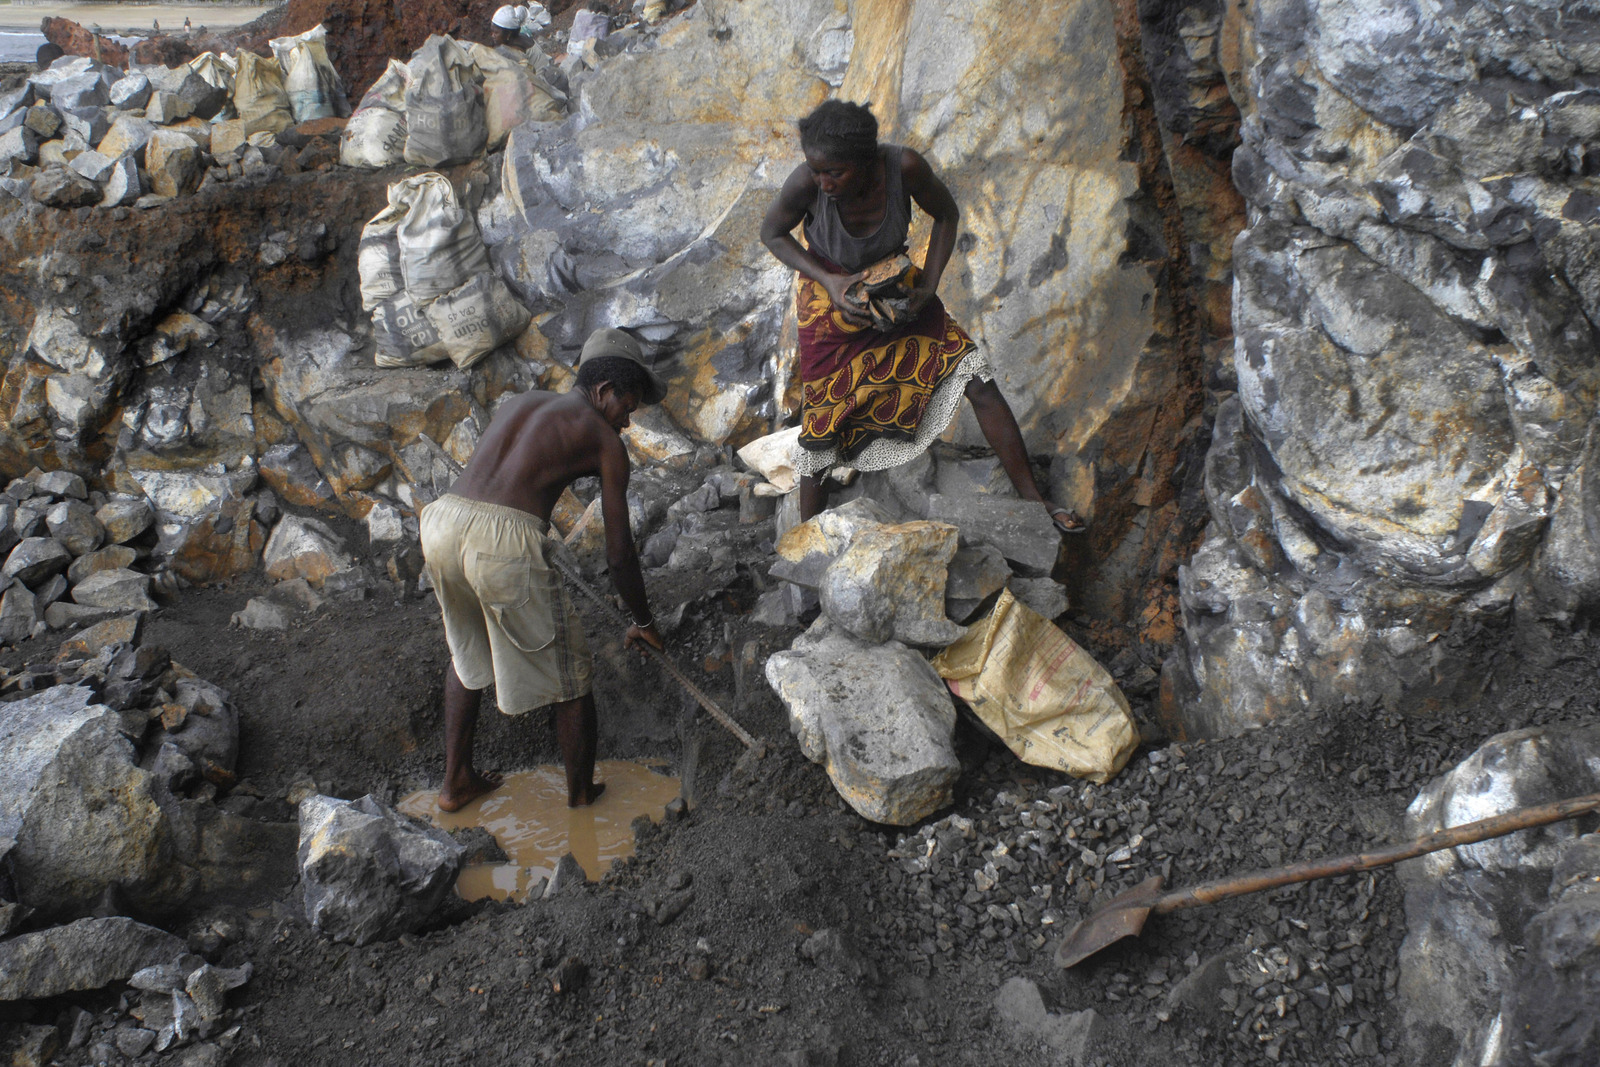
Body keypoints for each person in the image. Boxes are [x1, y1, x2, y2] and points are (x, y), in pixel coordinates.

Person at [760, 100, 1084, 534]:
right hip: (830, 301)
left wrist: (928, 284)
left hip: (895, 289)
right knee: (822, 423)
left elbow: (946, 214)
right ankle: (808, 542)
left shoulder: (904, 167)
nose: (824, 182)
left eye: (834, 172)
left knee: (975, 378)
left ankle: (1036, 500)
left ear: (865, 160)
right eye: (817, 170)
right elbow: (772, 233)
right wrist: (829, 281)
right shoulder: (807, 184)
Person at [419, 328, 667, 812]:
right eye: (628, 408)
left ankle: (455, 784)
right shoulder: (604, 441)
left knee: (467, 654)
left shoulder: (521, 403)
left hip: (443, 520)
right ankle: (581, 799)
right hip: (500, 541)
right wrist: (645, 623)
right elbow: (620, 553)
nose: (628, 424)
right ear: (604, 391)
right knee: (570, 675)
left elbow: (505, 478)